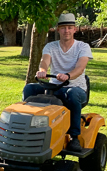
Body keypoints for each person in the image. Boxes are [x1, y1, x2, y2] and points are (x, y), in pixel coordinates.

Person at [22, 13, 92, 153]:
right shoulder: (51, 46)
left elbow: (80, 68)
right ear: (58, 30)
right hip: (55, 88)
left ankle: (74, 137)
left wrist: (68, 75)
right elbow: (45, 61)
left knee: (72, 94)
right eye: (63, 28)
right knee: (29, 89)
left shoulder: (83, 47)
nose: (66, 30)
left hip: (77, 89)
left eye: (69, 27)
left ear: (74, 30)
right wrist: (42, 70)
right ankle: (27, 128)